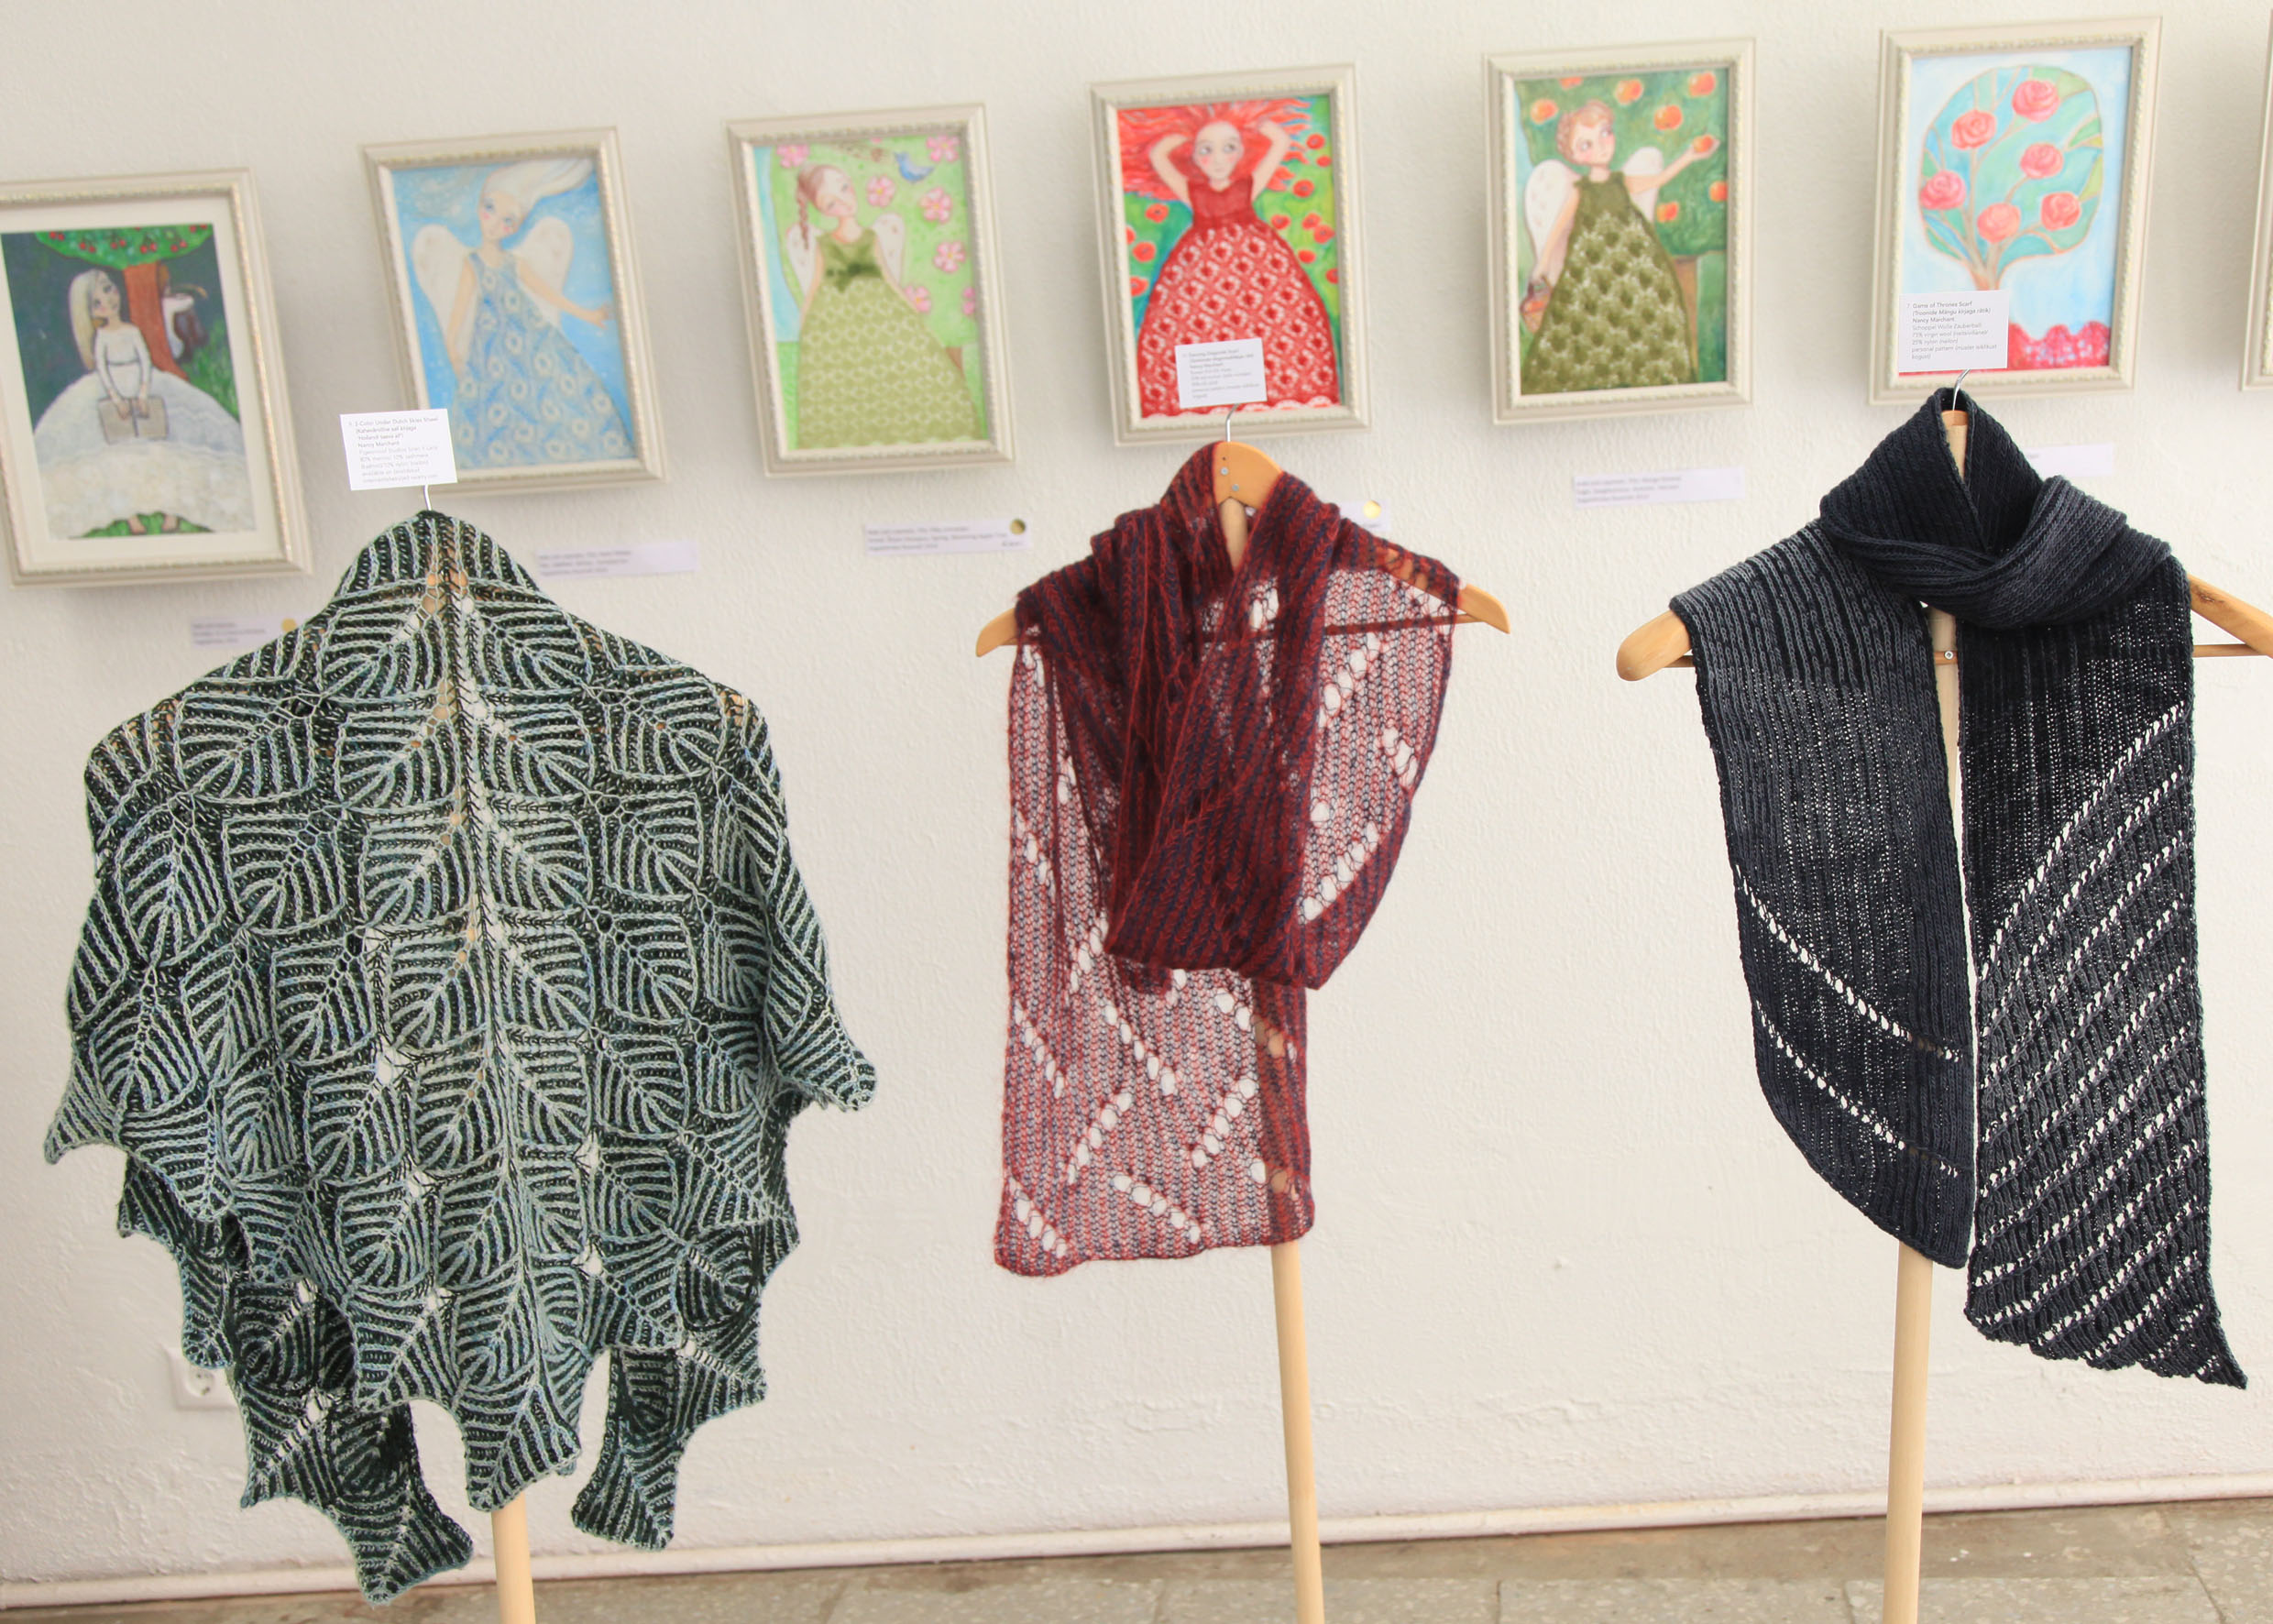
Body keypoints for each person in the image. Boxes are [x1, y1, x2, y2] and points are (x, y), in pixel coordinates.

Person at [1119, 99, 1339, 417]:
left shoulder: (1247, 186)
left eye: (1229, 148)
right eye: (1206, 150)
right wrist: (1167, 145)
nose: (1218, 159)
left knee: (1271, 318)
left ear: (1241, 153)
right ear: (1194, 157)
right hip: (1202, 268)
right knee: (1193, 323)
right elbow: (1158, 160)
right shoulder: (1194, 192)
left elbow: (1280, 146)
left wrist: (1271, 133)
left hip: (1256, 263)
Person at [412, 159, 632, 469]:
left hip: (531, 340)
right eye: (490, 209)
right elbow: (459, 310)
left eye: (507, 221)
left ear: (515, 227)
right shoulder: (472, 264)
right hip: (490, 350)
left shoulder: (514, 263)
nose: (494, 224)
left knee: (550, 394)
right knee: (496, 409)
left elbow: (549, 294)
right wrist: (452, 349)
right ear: (479, 207)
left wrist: (587, 314)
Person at [29, 266, 252, 536]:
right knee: (122, 452)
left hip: (142, 384)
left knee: (160, 445)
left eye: (109, 290)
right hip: (115, 391)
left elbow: (145, 360)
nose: (108, 301)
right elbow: (103, 369)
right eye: (97, 302)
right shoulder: (103, 337)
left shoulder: (131, 330)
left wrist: (144, 391)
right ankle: (132, 517)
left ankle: (172, 511)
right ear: (91, 312)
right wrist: (116, 398)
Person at [1521, 100, 1715, 394]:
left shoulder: (1623, 182)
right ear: (1574, 155)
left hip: (1635, 265)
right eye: (1586, 145)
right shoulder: (1579, 191)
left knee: (1645, 312)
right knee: (1587, 321)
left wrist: (1690, 156)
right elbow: (1557, 227)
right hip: (1591, 270)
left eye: (1605, 133)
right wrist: (1543, 262)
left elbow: (1660, 178)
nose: (1600, 146)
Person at [782, 161, 979, 448]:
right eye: (831, 204)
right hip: (836, 315)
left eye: (844, 189)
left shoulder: (872, 237)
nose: (844, 202)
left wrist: (908, 308)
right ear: (822, 210)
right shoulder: (823, 244)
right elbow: (814, 285)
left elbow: (887, 276)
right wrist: (806, 319)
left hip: (881, 308)